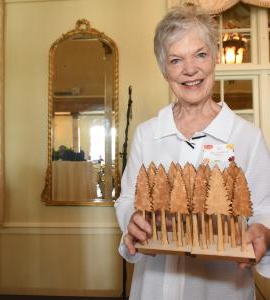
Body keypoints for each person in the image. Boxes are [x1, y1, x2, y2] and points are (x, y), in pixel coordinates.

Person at [114, 4, 270, 300]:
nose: (190, 70)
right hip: (153, 287)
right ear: (164, 70)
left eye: (200, 54)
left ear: (216, 57)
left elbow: (265, 208)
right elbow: (126, 199)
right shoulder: (147, 134)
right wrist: (132, 218)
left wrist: (264, 231)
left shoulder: (247, 137)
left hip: (223, 289)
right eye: (175, 60)